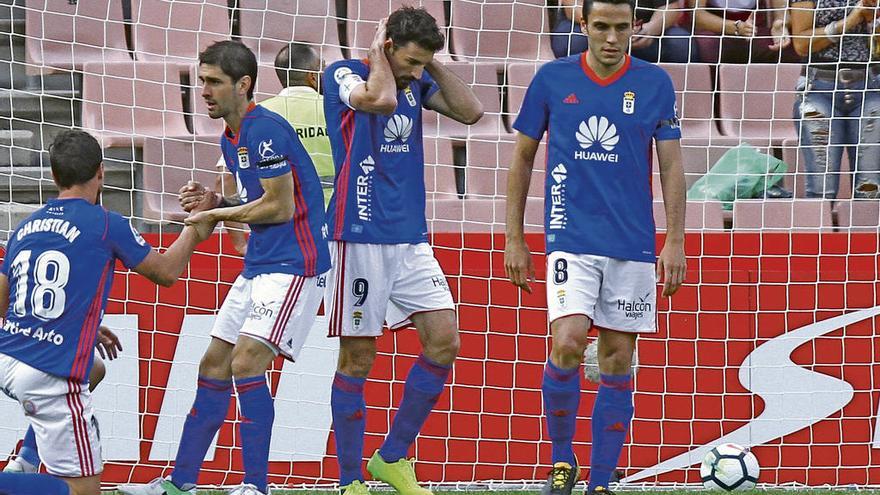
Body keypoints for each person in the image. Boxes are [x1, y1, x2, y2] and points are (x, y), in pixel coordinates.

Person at [119, 40, 331, 495]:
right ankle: (181, 484)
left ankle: (256, 486)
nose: (204, 91)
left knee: (246, 361)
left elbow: (278, 207)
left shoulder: (266, 130)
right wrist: (219, 201)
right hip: (261, 263)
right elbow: (255, 201)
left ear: (244, 84)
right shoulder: (231, 136)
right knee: (213, 365)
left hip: (297, 264)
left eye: (213, 82)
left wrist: (216, 215)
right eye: (201, 81)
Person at [504, 0, 687, 492]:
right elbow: (521, 159)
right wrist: (515, 237)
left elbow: (670, 166)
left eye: (621, 27)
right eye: (601, 26)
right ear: (582, 23)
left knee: (617, 358)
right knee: (565, 342)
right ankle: (562, 461)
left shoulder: (655, 84)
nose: (610, 38)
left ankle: (601, 480)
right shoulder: (551, 80)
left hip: (632, 243)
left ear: (635, 26)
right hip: (571, 237)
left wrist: (674, 240)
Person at [0, 129, 215, 495]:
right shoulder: (105, 223)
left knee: (94, 369)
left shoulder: (25, 227)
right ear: (101, 172)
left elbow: (6, 301)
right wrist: (197, 229)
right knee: (83, 491)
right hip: (49, 375)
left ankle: (29, 457)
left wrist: (73, 321)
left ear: (53, 176)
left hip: (7, 360)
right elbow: (165, 273)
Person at [322, 7, 482, 495]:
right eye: (410, 60)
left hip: (411, 236)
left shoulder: (417, 78)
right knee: (358, 358)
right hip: (358, 232)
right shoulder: (344, 73)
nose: (415, 72)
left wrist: (428, 65)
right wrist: (381, 58)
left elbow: (472, 111)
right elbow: (381, 99)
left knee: (445, 341)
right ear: (387, 45)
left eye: (422, 64)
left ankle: (390, 458)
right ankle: (350, 480)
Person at [222, 42, 335, 256]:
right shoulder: (336, 110)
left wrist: (239, 244)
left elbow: (224, 180)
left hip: (282, 231)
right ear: (312, 76)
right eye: (322, 67)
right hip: (336, 223)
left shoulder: (257, 115)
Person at [789, 0, 880, 198]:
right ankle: (819, 229)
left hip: (871, 85)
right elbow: (801, 44)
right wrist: (851, 20)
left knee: (871, 188)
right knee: (822, 188)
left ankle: (865, 229)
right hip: (820, 88)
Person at [3, 327, 121, 473]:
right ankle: (27, 462)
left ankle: (26, 462)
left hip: (16, 354)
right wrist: (82, 332)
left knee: (94, 369)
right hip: (15, 359)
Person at [550, 0, 697, 62]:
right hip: (593, 29)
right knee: (570, 42)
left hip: (639, 34)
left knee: (682, 44)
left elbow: (671, 7)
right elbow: (572, 7)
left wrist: (651, 28)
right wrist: (607, 29)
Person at [691, 0, 799, 62]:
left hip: (756, 25)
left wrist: (780, 23)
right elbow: (697, 16)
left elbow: (781, 10)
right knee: (709, 46)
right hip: (715, 28)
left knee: (787, 46)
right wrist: (736, 27)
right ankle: (716, 100)